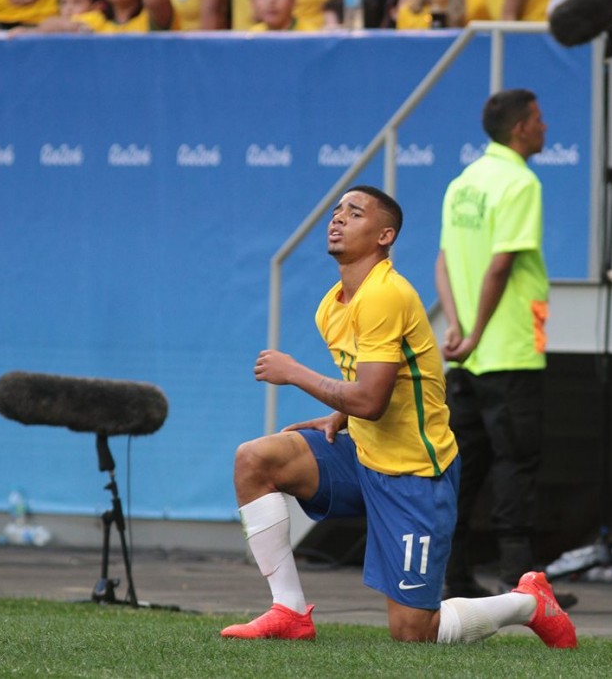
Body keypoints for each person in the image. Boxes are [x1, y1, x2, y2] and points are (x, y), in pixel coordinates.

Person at [220, 185, 577, 648]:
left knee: (414, 633)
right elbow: (386, 384)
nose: (338, 219)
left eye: (354, 213)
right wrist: (339, 417)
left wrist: (294, 373)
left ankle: (529, 602)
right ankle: (288, 612)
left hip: (415, 475)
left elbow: (371, 400)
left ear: (384, 235)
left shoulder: (387, 294)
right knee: (255, 460)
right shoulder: (332, 306)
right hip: (364, 457)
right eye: (336, 211)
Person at [434, 90, 575, 609]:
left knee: (463, 467)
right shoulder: (520, 181)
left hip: (467, 357)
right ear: (519, 128)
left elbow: (444, 262)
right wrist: (475, 333)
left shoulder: (464, 182)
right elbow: (501, 265)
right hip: (509, 349)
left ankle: (455, 580)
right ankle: (521, 587)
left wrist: (456, 328)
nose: (544, 125)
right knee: (518, 463)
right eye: (538, 118)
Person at [249, 0, 316, 29]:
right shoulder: (251, 36)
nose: (271, 1)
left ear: (293, 1)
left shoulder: (311, 37)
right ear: (252, 2)